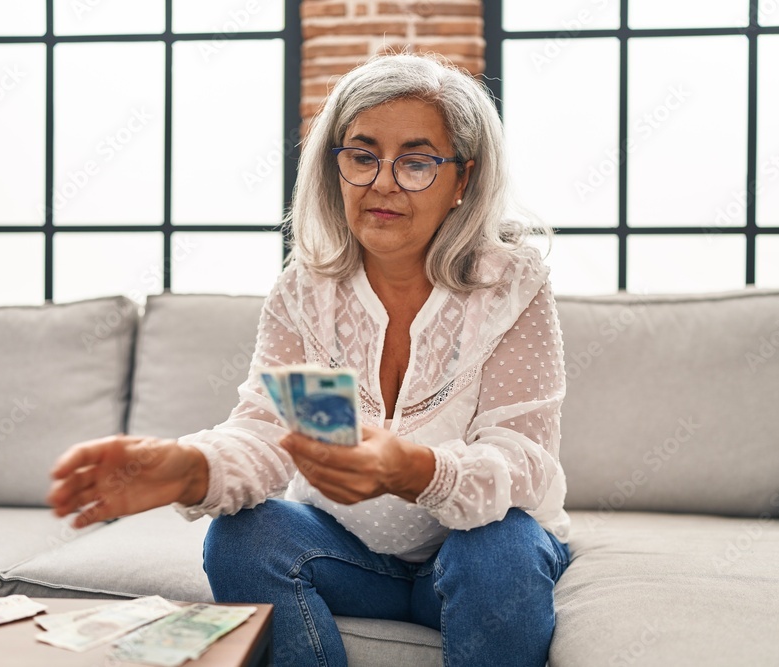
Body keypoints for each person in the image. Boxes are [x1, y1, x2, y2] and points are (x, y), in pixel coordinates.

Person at [47, 52, 571, 667]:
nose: (383, 182)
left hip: (475, 555)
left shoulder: (511, 285)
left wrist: (415, 470)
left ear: (462, 180)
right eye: (362, 155)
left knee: (500, 545)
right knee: (244, 536)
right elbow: (270, 430)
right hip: (348, 556)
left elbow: (523, 461)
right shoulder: (307, 291)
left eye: (418, 162)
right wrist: (192, 467)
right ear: (335, 167)